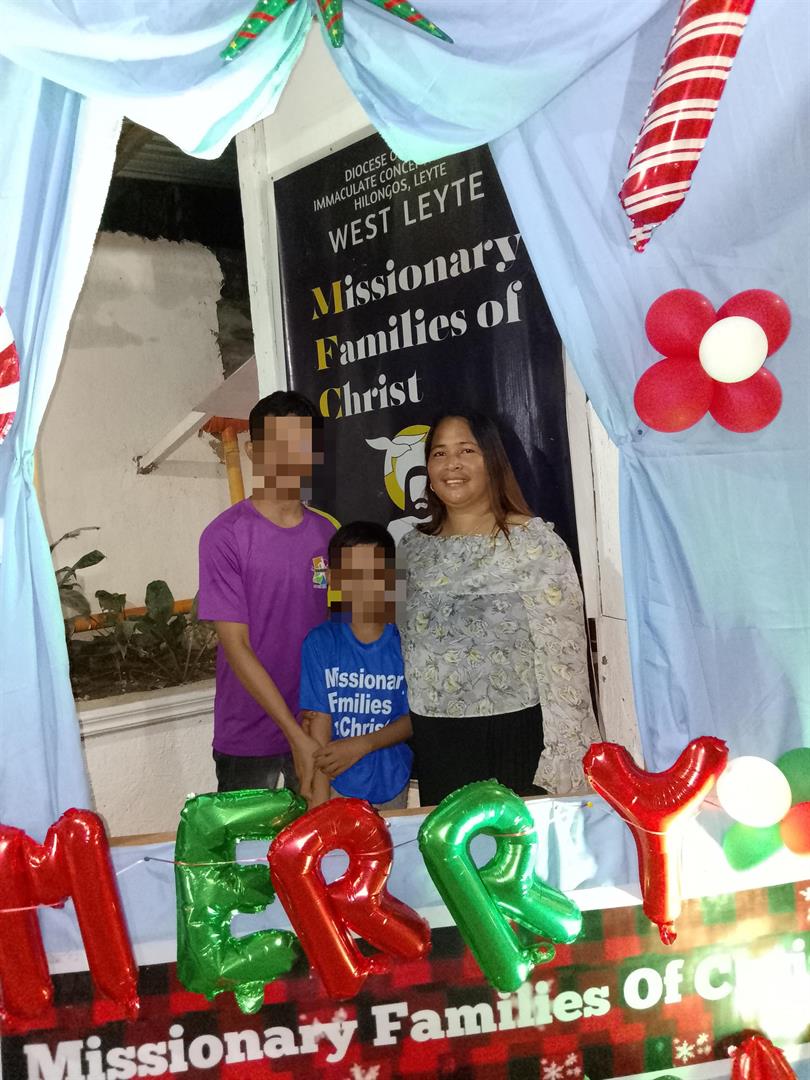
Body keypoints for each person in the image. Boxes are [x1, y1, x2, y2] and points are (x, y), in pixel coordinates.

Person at [399, 412, 598, 805]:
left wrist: (562, 757)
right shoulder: (410, 548)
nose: (452, 464)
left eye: (466, 450)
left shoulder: (534, 543)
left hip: (516, 734)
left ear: (492, 461)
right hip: (437, 739)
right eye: (439, 453)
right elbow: (405, 644)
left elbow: (565, 660)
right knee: (448, 842)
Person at [198, 391, 337, 797]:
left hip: (318, 727)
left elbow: (341, 632)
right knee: (248, 840)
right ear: (253, 451)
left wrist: (319, 726)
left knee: (317, 836)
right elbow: (235, 645)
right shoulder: (224, 536)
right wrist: (293, 733)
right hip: (249, 737)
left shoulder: (328, 533)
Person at [300, 521, 413, 810]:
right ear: (333, 578)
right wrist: (319, 805)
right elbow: (318, 725)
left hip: (391, 783)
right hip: (337, 786)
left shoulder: (406, 641)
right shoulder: (320, 642)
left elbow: (415, 719)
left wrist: (363, 744)